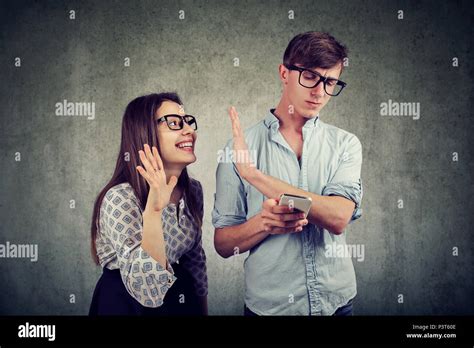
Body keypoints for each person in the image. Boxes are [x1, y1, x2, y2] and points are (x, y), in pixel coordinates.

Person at [213, 32, 363, 316]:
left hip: (337, 305)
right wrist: (262, 223)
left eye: (330, 82)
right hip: (270, 309)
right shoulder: (237, 150)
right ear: (285, 73)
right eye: (310, 76)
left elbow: (338, 218)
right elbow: (223, 244)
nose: (319, 91)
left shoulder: (346, 144)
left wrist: (255, 176)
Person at [89, 92, 207, 315]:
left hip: (176, 300)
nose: (190, 131)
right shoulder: (120, 198)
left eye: (188, 122)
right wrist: (153, 210)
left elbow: (195, 260)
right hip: (126, 304)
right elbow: (148, 292)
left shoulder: (194, 190)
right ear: (145, 132)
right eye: (174, 123)